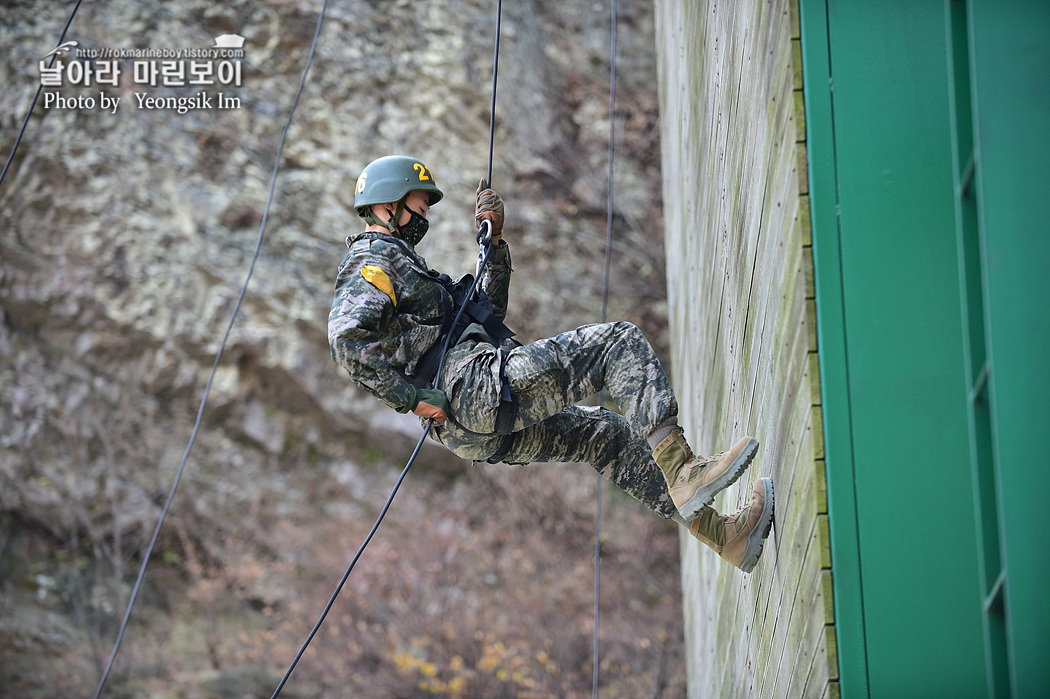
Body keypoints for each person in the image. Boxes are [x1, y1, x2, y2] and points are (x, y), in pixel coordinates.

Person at [328, 155, 775, 573]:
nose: (425, 216)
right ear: (388, 206)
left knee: (605, 436)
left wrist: (494, 241)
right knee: (615, 343)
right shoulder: (372, 260)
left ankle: (728, 537)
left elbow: (486, 313)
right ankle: (684, 470)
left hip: (464, 426)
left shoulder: (404, 264)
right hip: (471, 389)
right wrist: (411, 400)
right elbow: (347, 340)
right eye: (419, 205)